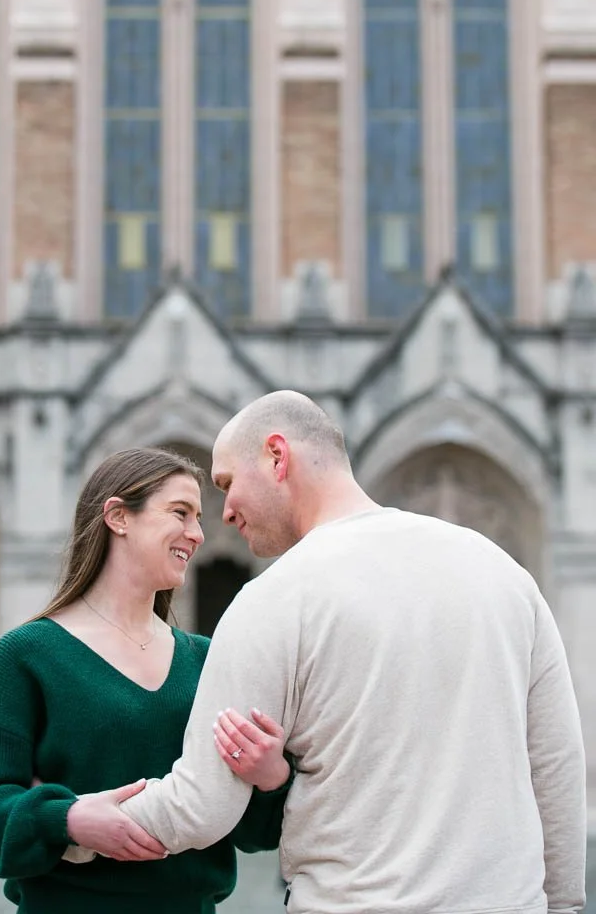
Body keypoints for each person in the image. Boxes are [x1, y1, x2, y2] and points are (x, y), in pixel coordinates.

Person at [71, 391, 587, 914]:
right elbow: (554, 764)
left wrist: (69, 830)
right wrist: (564, 906)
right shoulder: (501, 572)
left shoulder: (274, 599)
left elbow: (201, 806)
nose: (224, 513)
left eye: (227, 483)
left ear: (277, 456)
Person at [0, 446, 293, 914]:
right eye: (180, 513)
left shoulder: (209, 660)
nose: (196, 534)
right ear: (118, 517)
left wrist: (271, 777)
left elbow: (255, 833)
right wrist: (67, 819)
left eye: (198, 517)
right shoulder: (21, 658)